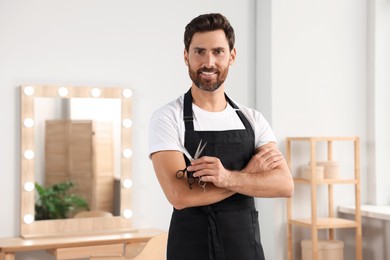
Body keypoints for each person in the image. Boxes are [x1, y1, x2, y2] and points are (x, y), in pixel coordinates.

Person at [148, 13, 294, 260]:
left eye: (218, 52)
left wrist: (226, 178)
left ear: (232, 56)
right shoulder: (167, 117)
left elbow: (283, 185)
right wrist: (248, 175)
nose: (208, 62)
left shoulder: (253, 119)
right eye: (199, 52)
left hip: (245, 248)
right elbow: (179, 195)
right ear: (186, 56)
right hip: (191, 249)